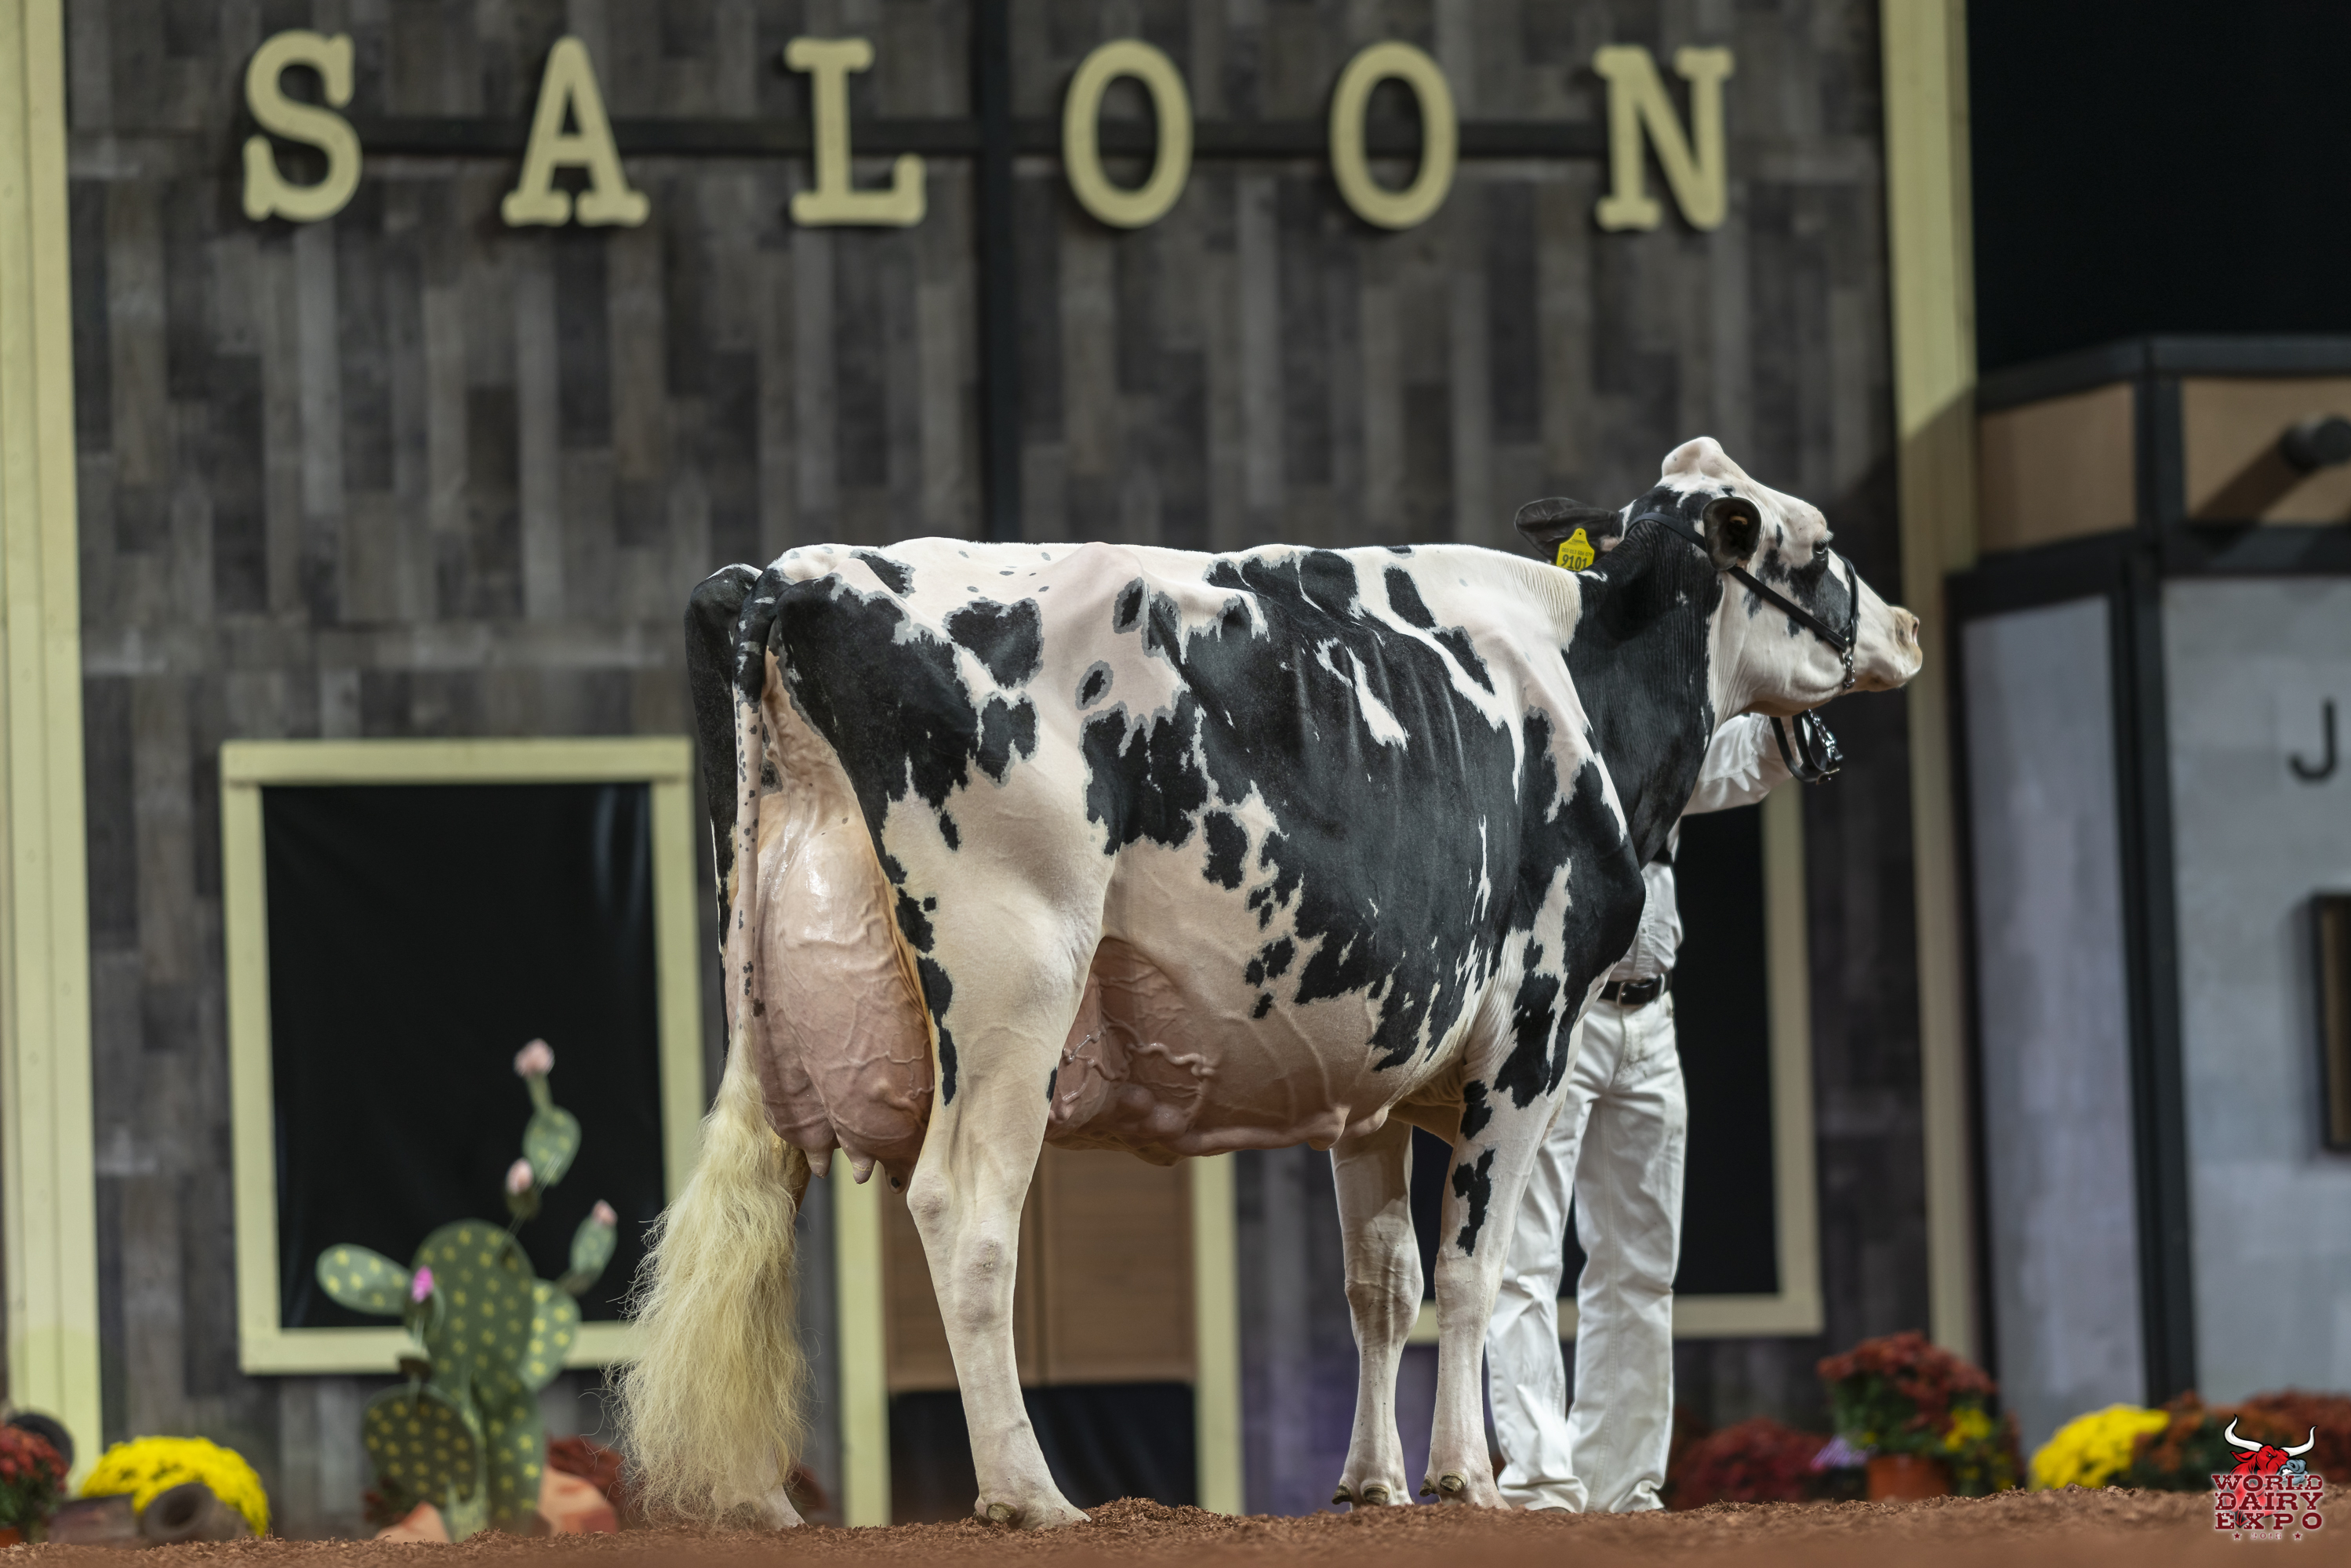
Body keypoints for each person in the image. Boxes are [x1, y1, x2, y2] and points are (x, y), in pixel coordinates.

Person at [1485, 497, 1800, 1513]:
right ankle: (1541, 1481)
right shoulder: (1543, 699)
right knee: (1527, 1254)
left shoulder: (1658, 710)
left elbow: (1723, 768)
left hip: (1649, 1017)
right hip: (1558, 1010)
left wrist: (1788, 730)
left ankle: (1621, 1486)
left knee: (1638, 1266)